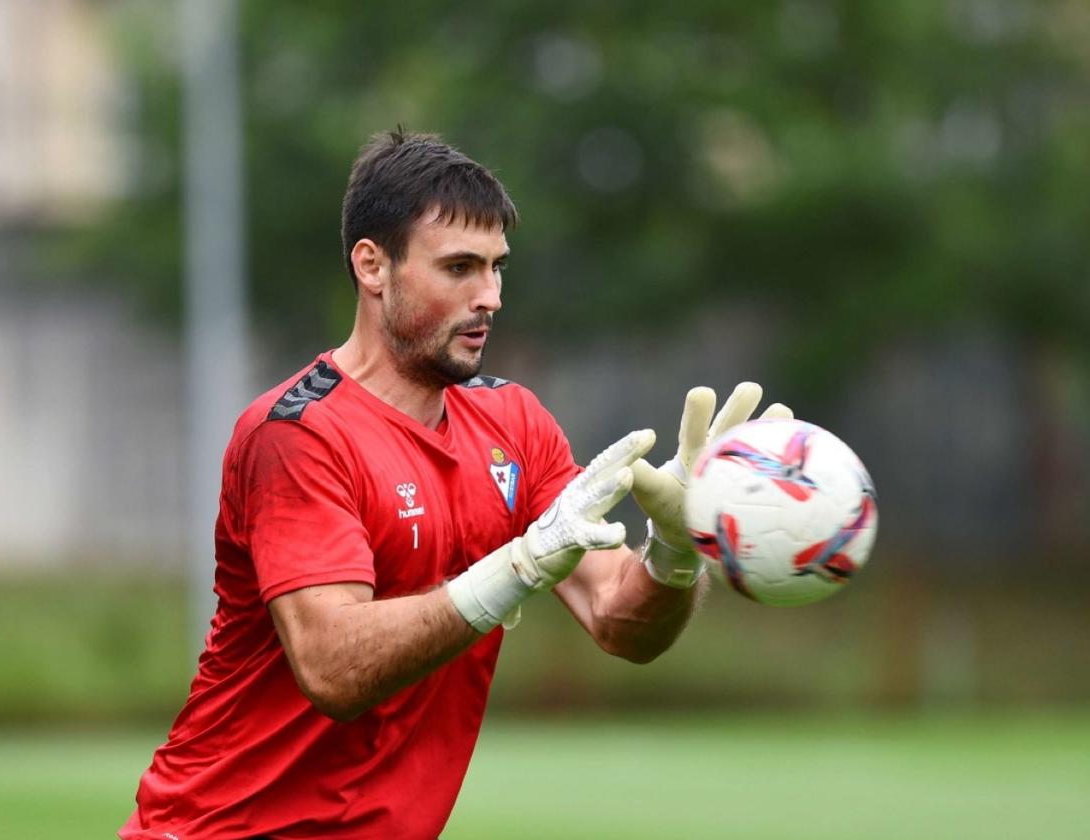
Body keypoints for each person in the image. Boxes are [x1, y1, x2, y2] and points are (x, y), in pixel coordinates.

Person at [120, 129, 790, 840]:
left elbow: (622, 621)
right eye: (460, 268)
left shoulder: (514, 423)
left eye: (498, 267)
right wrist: (519, 566)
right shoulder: (297, 436)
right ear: (373, 267)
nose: (491, 296)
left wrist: (677, 551)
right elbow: (333, 667)